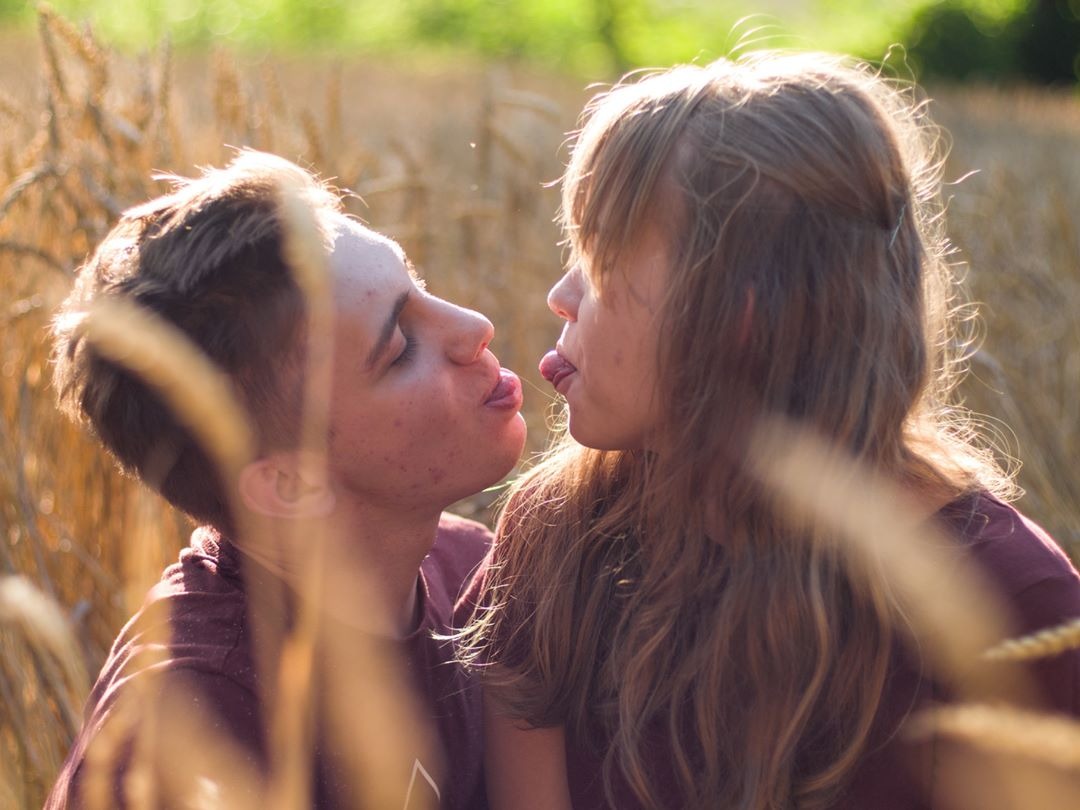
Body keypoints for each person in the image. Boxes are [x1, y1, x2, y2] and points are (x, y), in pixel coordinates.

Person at [459, 52, 1080, 809]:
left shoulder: (1005, 604)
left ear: (737, 317)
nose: (560, 296)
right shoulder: (559, 534)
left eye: (601, 257)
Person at [46, 150, 526, 809]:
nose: (474, 328)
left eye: (416, 284)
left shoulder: (479, 573)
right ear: (290, 484)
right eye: (399, 348)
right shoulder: (186, 734)